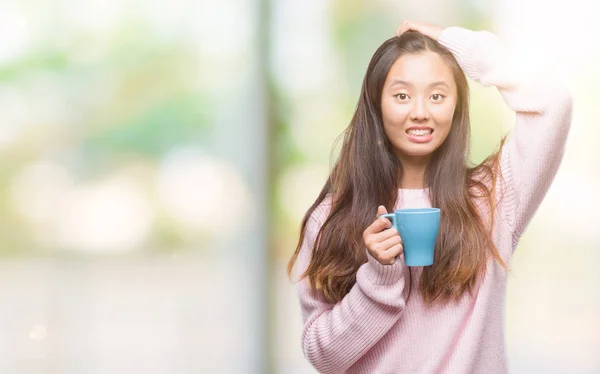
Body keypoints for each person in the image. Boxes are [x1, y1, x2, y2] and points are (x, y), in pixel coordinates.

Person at [286, 20, 573, 374]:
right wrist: (379, 279)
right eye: (402, 95)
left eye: (437, 95)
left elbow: (552, 101)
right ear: (377, 104)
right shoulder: (332, 216)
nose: (420, 111)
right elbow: (323, 357)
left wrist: (456, 43)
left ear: (456, 106)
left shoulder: (492, 200)